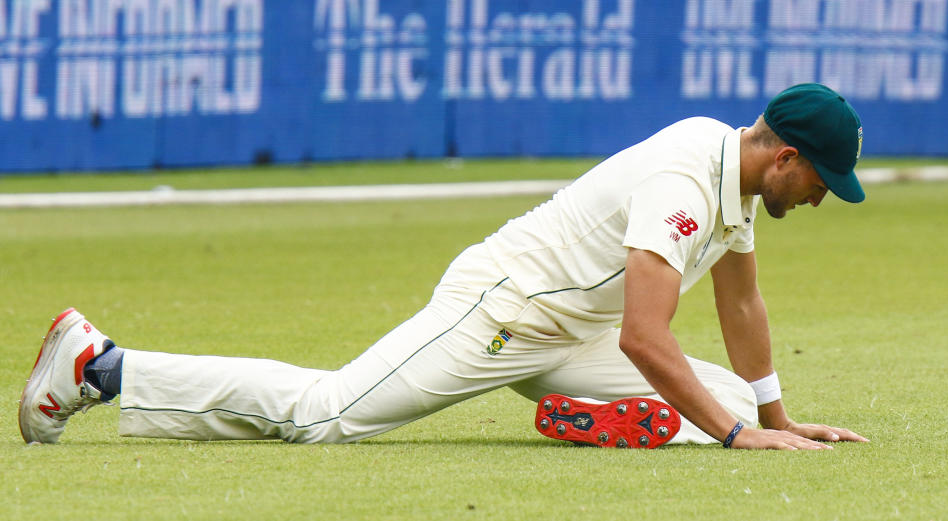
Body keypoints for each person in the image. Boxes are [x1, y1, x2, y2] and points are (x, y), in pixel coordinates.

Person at [19, 83, 870, 450]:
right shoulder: (688, 177)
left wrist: (775, 416)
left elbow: (742, 303)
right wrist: (734, 436)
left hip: (573, 334)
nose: (825, 196)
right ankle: (103, 366)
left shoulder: (734, 178)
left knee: (726, 396)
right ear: (786, 154)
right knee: (326, 414)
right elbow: (647, 336)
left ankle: (582, 408)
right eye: (824, 180)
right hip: (501, 313)